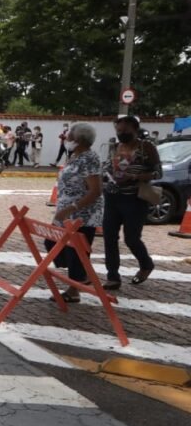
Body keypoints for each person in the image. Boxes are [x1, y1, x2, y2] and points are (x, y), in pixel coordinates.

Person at [101, 114, 161, 290]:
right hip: (112, 197)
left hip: (134, 200)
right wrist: (106, 175)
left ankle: (146, 264)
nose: (121, 134)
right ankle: (113, 276)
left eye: (125, 130)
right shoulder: (115, 147)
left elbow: (158, 172)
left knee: (132, 238)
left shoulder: (146, 147)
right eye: (119, 130)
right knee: (109, 237)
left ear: (135, 129)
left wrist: (134, 177)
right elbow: (107, 167)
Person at [46, 123, 103, 303]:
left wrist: (71, 208)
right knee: (52, 242)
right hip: (65, 211)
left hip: (82, 214)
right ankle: (79, 277)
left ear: (79, 139)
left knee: (76, 251)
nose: (66, 138)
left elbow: (95, 190)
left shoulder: (89, 158)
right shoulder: (74, 156)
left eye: (69, 135)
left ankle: (75, 287)